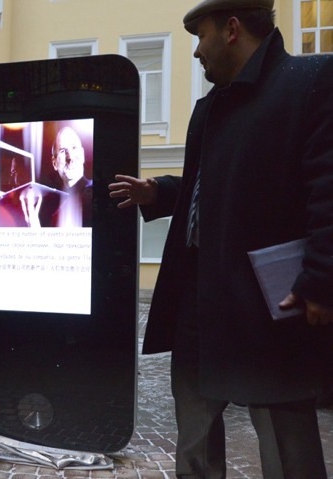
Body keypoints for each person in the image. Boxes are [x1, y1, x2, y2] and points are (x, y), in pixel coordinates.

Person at [108, 1, 333, 477]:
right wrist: (160, 192)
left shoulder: (310, 81)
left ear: (232, 29)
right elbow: (211, 186)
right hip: (198, 299)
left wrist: (321, 278)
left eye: (200, 36)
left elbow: (327, 189)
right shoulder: (209, 108)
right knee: (194, 437)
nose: (196, 52)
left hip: (271, 306)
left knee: (286, 446)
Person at [50, 126, 92, 227]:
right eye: (63, 151)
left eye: (74, 148)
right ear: (54, 163)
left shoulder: (98, 195)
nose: (70, 157)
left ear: (82, 155)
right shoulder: (53, 214)